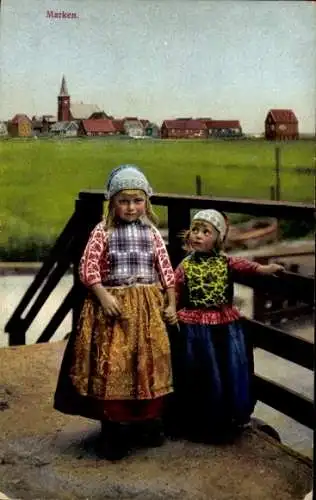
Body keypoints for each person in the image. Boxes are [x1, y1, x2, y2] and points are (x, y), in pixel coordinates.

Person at [54, 164, 177, 460]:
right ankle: (112, 429)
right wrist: (103, 295)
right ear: (113, 202)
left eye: (138, 201)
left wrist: (171, 301)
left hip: (147, 307)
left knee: (147, 363)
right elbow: (89, 268)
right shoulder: (102, 231)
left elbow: (165, 269)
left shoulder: (152, 232)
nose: (131, 207)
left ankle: (147, 422)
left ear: (146, 201)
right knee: (114, 365)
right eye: (124, 201)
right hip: (113, 308)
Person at [167, 209, 284, 444]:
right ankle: (201, 421)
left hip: (223, 323)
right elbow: (174, 289)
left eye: (206, 232)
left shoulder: (225, 262)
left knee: (229, 367)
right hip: (195, 327)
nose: (198, 235)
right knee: (201, 371)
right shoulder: (185, 266)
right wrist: (171, 309)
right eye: (195, 230)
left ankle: (229, 416)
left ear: (218, 238)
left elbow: (247, 266)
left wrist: (264, 269)